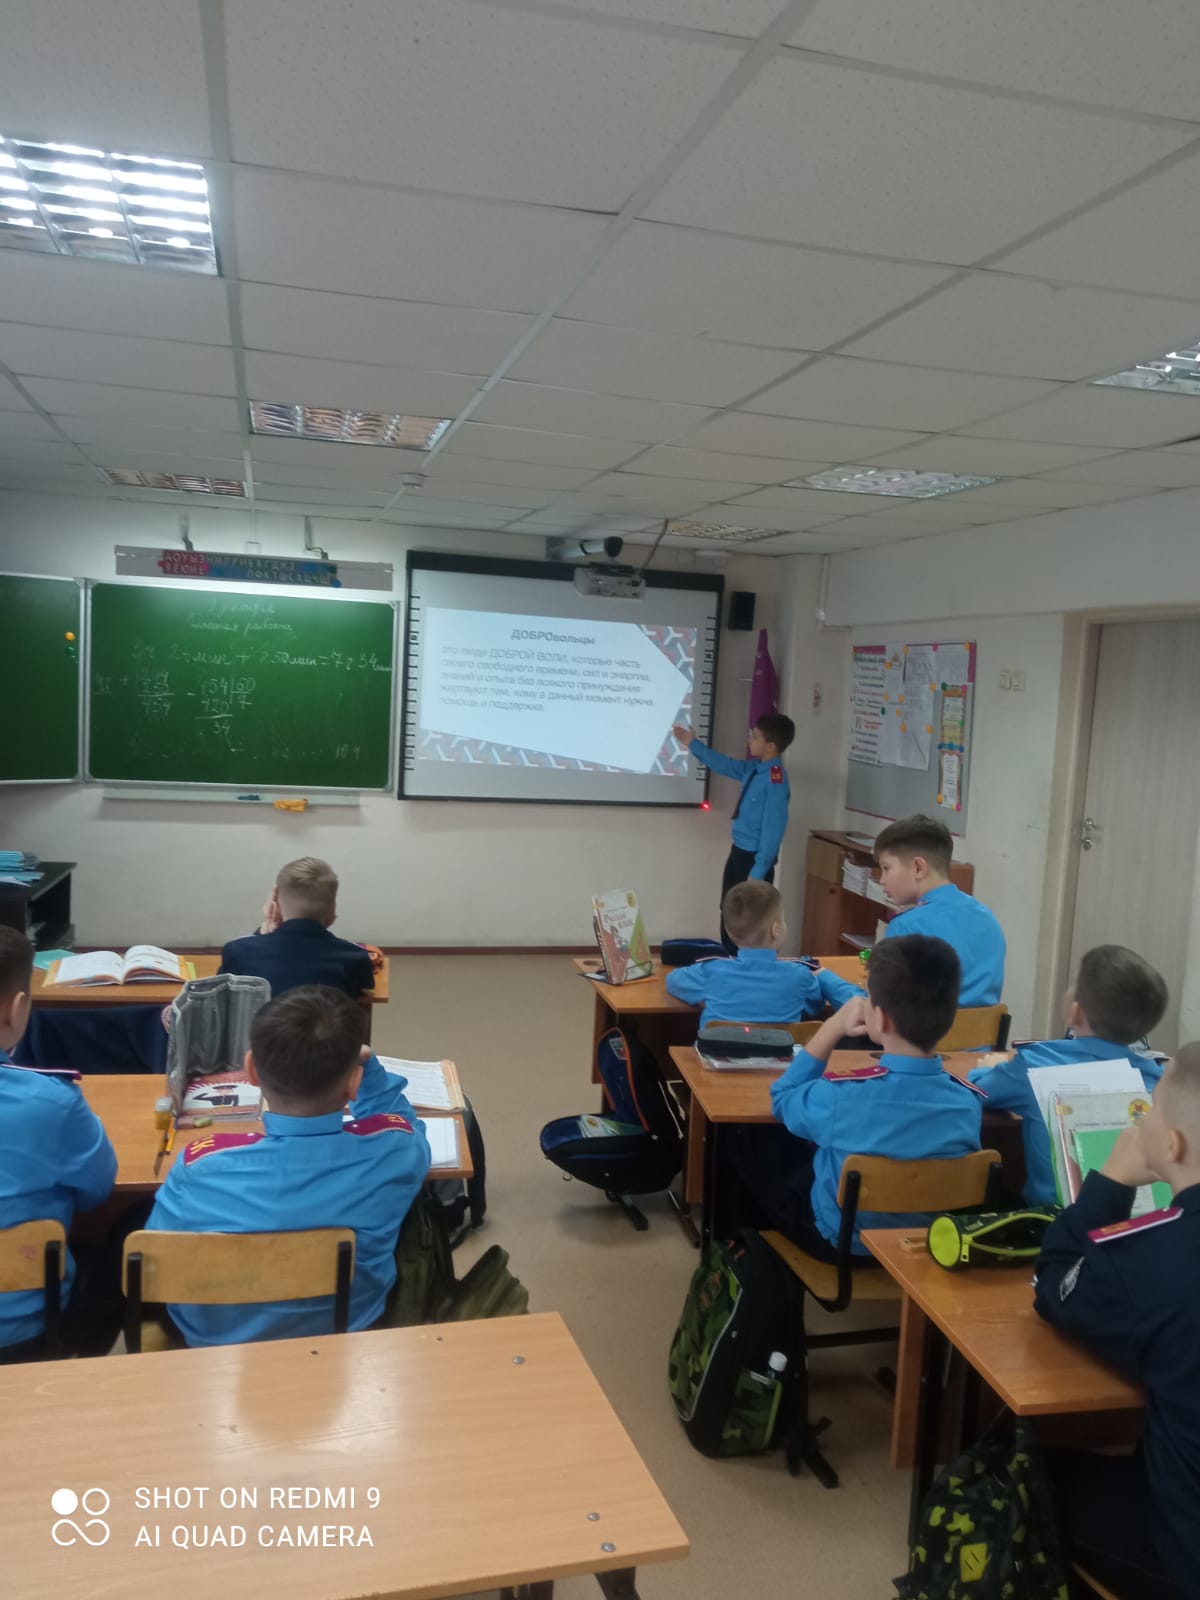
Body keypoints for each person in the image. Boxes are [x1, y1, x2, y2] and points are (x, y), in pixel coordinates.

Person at [146, 985, 430, 1346]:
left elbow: (157, 1263)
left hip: (214, 1350)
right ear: (354, 1083)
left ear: (251, 1069)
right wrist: (369, 1074)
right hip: (348, 1336)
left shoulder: (198, 1167)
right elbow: (404, 1125)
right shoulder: (395, 1151)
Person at [1034, 1047, 1200, 1600]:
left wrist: (1108, 1183)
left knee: (1030, 1473)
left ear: (1171, 1145)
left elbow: (1054, 1285)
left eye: (1150, 1109)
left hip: (1183, 1554)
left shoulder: (1148, 1262)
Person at [730, 935, 981, 1260]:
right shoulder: (967, 1103)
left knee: (748, 1140)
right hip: (926, 1244)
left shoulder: (840, 1095)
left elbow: (782, 1099)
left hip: (842, 1244)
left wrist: (833, 1027)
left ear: (881, 1018)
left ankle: (744, 1258)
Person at [0, 927, 121, 1359]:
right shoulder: (53, 1102)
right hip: (27, 1334)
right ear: (17, 1009)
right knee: (128, 1232)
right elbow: (97, 1192)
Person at [969, 944, 1168, 1204]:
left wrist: (988, 1068)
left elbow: (978, 1091)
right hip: (1138, 1221)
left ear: (1076, 1012)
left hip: (1054, 1221)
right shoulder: (1159, 1081)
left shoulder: (1035, 1064)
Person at [673, 713, 795, 955]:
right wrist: (692, 744)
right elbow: (723, 764)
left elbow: (773, 830)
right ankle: (731, 961)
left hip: (753, 862)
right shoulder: (754, 768)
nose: (750, 739)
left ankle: (744, 966)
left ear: (770, 746)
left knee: (750, 922)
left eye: (756, 736)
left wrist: (757, 873)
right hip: (738, 854)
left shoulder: (775, 780)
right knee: (729, 912)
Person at [665, 879, 861, 1030]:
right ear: (775, 930)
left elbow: (673, 981)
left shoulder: (710, 971)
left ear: (729, 932)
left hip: (714, 1066)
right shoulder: (800, 976)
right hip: (779, 1068)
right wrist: (821, 973)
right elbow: (816, 1003)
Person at [874, 814, 1005, 1005]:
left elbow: (881, 1007)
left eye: (886, 868)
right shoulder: (988, 919)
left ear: (918, 868)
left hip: (921, 1026)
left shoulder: (905, 927)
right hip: (981, 1026)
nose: (882, 880)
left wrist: (829, 980)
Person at [220, 856, 375, 998]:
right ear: (333, 910)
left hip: (263, 1022)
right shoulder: (355, 957)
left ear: (275, 907)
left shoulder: (238, 952)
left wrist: (264, 931)